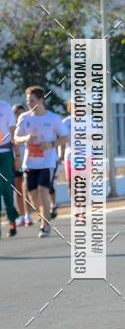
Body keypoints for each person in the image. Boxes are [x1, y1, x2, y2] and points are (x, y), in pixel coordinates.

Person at [13, 87, 67, 237]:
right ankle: (44, 214)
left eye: (32, 101)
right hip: (29, 163)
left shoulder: (53, 119)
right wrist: (25, 139)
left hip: (47, 162)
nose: (29, 104)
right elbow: (16, 139)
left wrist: (51, 145)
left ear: (41, 100)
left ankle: (45, 225)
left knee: (43, 191)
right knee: (32, 196)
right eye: (27, 101)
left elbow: (65, 137)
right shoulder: (24, 118)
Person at [0, 98, 19, 237]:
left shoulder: (5, 107)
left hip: (5, 152)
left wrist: (17, 155)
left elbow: (13, 133)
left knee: (6, 188)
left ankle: (12, 219)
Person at [11, 104, 28, 226]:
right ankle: (21, 215)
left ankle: (29, 214)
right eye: (17, 114)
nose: (19, 116)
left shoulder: (28, 127)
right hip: (16, 162)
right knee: (18, 189)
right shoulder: (10, 129)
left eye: (22, 113)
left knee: (28, 188)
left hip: (28, 162)